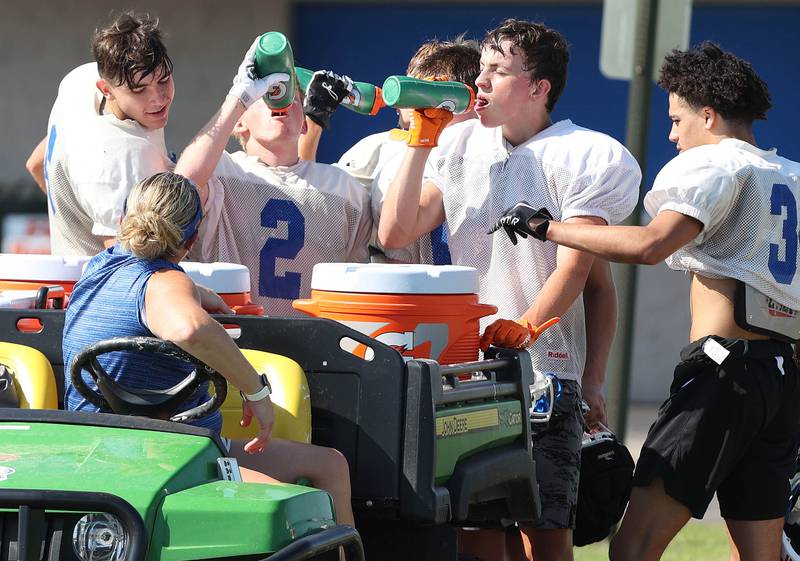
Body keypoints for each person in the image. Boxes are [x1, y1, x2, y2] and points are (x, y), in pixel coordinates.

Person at [489, 42, 800, 561]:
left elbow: (651, 244)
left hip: (723, 373)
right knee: (761, 556)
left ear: (708, 114)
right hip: (781, 376)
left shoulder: (714, 164)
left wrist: (548, 228)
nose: (672, 134)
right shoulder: (791, 174)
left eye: (678, 119)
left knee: (632, 547)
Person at [378, 18, 641, 561]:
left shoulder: (584, 154)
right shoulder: (460, 145)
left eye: (498, 71)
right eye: (481, 70)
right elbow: (396, 231)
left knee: (542, 533)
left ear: (539, 87)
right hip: (467, 369)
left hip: (544, 370)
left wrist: (543, 338)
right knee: (475, 531)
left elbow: (583, 272)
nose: (481, 81)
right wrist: (420, 140)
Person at [62, 171, 354, 526]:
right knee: (301, 507)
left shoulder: (97, 270)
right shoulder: (164, 283)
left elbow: (148, 290)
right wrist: (255, 391)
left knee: (330, 464)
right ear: (193, 239)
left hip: (102, 448)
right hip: (174, 459)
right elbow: (190, 328)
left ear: (124, 221)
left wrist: (195, 292)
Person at [176, 38, 371, 316]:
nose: (279, 100)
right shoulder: (223, 172)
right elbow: (182, 189)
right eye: (265, 94)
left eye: (290, 96)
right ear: (239, 122)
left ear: (304, 121)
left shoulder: (344, 188)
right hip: (236, 340)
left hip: (315, 345)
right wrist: (238, 98)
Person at [28, 12, 176, 256]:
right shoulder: (117, 161)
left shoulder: (80, 81)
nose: (158, 99)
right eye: (138, 90)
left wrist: (78, 208)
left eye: (164, 80)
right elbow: (128, 269)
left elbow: (35, 163)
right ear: (106, 89)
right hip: (93, 288)